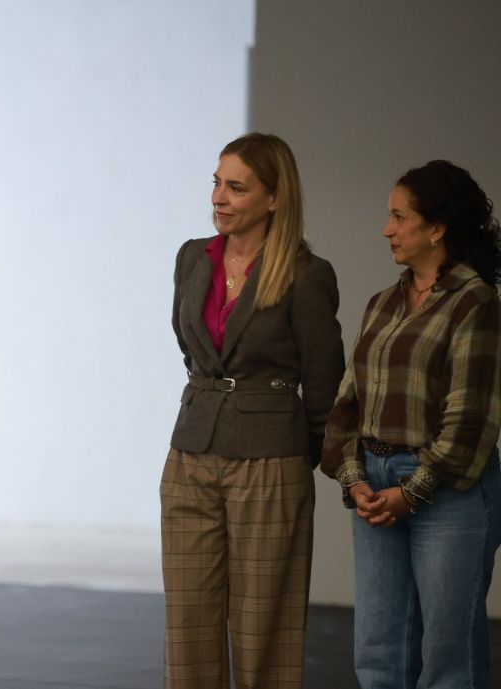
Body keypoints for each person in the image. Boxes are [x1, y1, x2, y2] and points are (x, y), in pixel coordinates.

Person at [161, 133, 344, 688]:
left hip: (270, 462)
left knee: (265, 626)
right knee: (187, 625)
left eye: (236, 187)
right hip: (190, 452)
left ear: (273, 198)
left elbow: (324, 379)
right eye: (216, 183)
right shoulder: (193, 256)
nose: (219, 196)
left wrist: (301, 457)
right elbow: (191, 347)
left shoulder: (306, 272)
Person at [321, 160, 501, 688]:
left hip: (450, 490)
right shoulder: (383, 304)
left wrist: (412, 490)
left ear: (436, 229)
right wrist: (355, 479)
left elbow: (470, 417)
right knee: (378, 650)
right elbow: (347, 403)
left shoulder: (476, 304)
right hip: (373, 484)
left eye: (399, 217)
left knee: (448, 655)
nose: (387, 229)